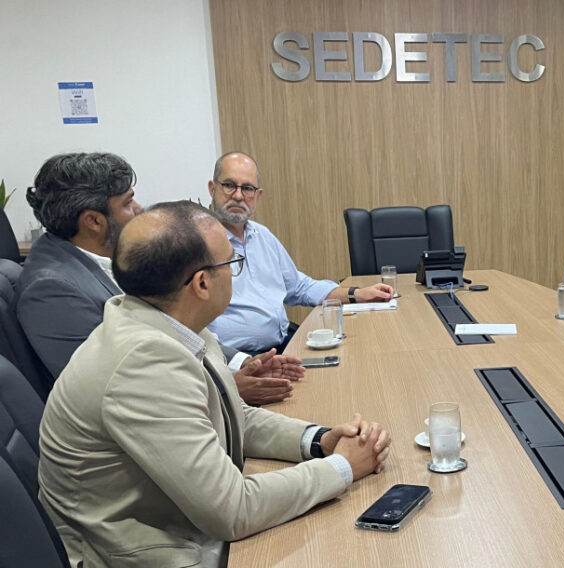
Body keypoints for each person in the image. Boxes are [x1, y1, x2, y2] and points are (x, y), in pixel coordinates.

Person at [37, 201, 392, 567]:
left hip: (176, 523)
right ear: (202, 283)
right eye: (232, 263)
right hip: (136, 553)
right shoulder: (143, 364)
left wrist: (319, 440)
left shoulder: (166, 320)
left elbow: (231, 413)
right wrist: (343, 467)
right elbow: (231, 510)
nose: (236, 274)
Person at [17, 153, 301, 405]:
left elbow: (176, 329)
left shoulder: (109, 255)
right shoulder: (51, 290)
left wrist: (243, 362)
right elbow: (118, 389)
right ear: (93, 221)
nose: (139, 209)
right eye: (128, 202)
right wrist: (227, 389)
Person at [205, 152, 392, 353]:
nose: (238, 195)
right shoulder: (199, 244)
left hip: (281, 344)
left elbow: (300, 287)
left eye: (247, 188)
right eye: (229, 185)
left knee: (358, 350)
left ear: (258, 195)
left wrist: (357, 294)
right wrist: (238, 364)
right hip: (236, 358)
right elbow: (190, 330)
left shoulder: (262, 236)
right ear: (212, 188)